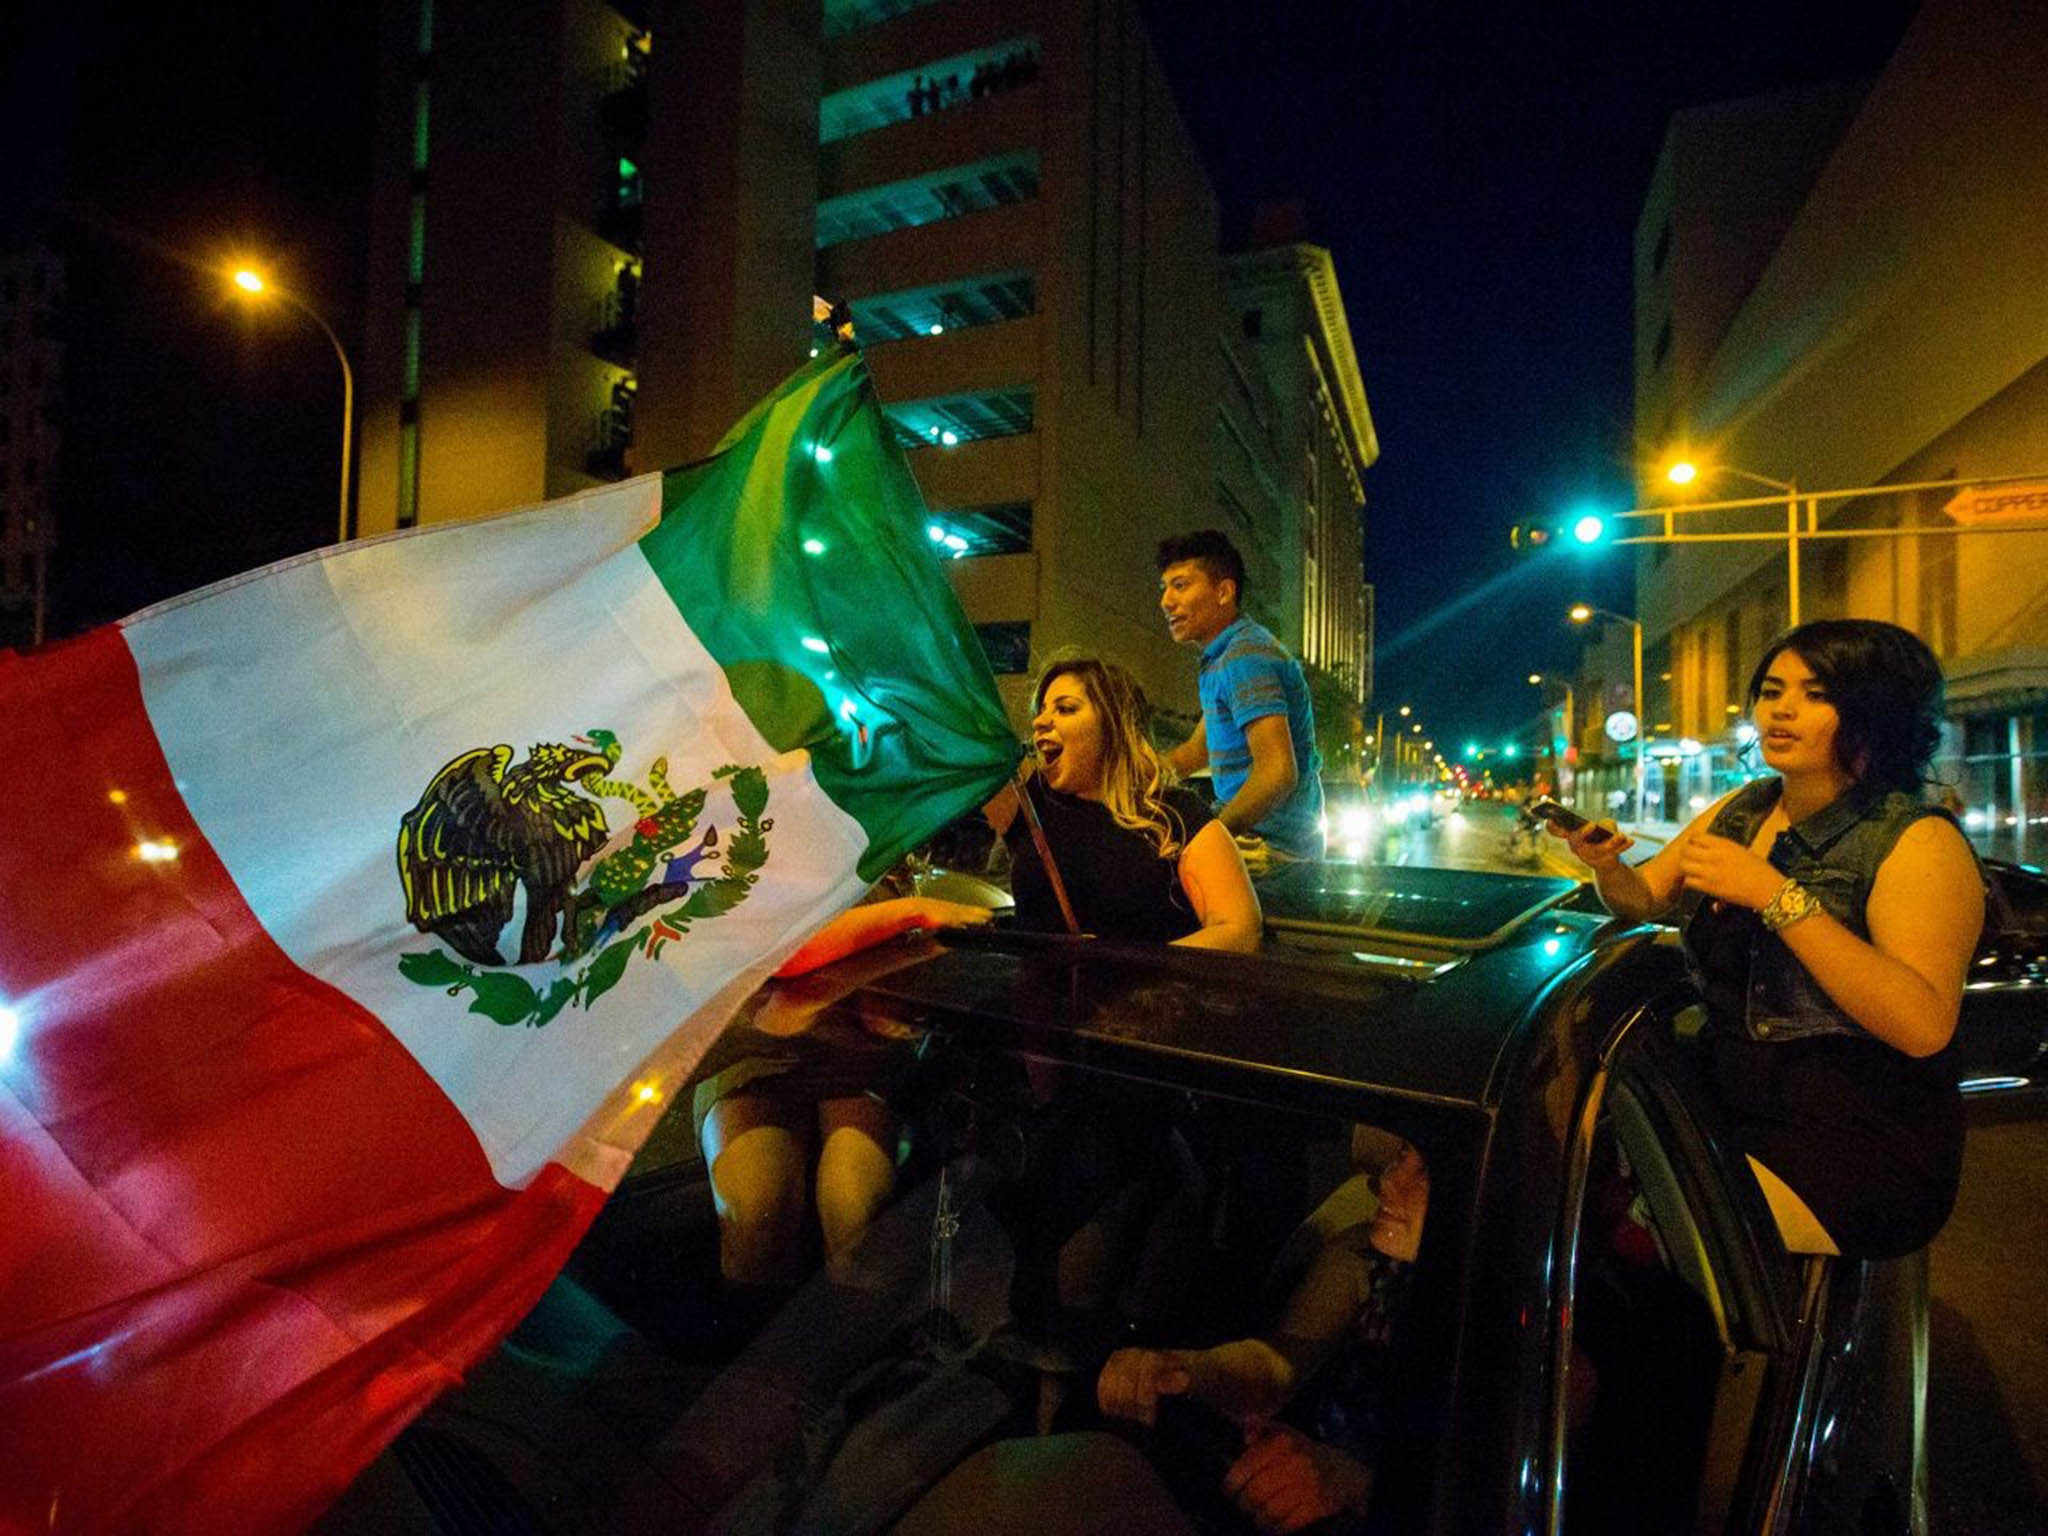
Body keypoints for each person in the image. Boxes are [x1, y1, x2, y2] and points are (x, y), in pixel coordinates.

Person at [1549, 619, 1982, 1259]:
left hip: (1855, 1142)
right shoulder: (1746, 807)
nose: (1781, 709)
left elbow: (1922, 1024)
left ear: (1874, 712)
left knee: (1616, 1244)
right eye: (1772, 690)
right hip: (1732, 1104)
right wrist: (1606, 864)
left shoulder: (1917, 840)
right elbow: (1645, 898)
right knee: (1555, 1180)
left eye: (1815, 694)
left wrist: (1776, 896)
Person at [892, 1141, 1430, 1536]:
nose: (1385, 1181)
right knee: (1032, 1482)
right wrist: (1179, 1369)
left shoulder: (1508, 1324)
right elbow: (1274, 1368)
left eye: (1424, 1170)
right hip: (1262, 1503)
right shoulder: (1363, 1259)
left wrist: (1355, 1483)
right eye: (1401, 1153)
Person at [698, 893, 995, 1289]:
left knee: (856, 1211)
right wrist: (910, 912)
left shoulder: (863, 857)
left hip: (856, 1056)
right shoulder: (743, 869)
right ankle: (765, 1341)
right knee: (755, 1212)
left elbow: (889, 1002)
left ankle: (846, 1336)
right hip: (755, 1054)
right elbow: (783, 1006)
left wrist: (890, 1000)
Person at [985, 656, 1262, 951]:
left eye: (1065, 709)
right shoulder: (1030, 803)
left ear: (1114, 724)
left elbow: (1239, 931)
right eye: (1041, 711)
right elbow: (963, 729)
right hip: (1035, 996)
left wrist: (1121, 965)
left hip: (1144, 996)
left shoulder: (1177, 815)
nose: (1039, 722)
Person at [1156, 531, 1324, 864]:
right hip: (1259, 843)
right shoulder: (1224, 656)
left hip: (1271, 853)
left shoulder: (1245, 657)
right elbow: (1196, 750)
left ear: (1224, 591)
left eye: (1180, 585)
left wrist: (1214, 837)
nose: (1166, 601)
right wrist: (1128, 776)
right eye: (1164, 588)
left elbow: (1277, 771)